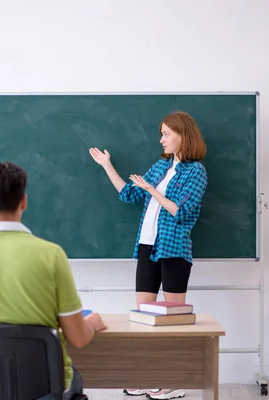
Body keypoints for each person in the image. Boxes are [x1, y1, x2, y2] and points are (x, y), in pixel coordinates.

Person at [0, 160, 107, 400]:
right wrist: (92, 323)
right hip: (43, 390)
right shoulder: (51, 255)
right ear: (23, 201)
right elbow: (78, 337)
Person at [89, 111, 208, 400]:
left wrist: (152, 190)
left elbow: (180, 211)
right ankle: (148, 376)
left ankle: (172, 380)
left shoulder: (196, 171)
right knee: (144, 317)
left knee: (172, 319)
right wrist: (107, 166)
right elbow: (129, 194)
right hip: (147, 246)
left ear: (183, 136)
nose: (161, 139)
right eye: (162, 133)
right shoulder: (161, 166)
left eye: (167, 133)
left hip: (173, 249)